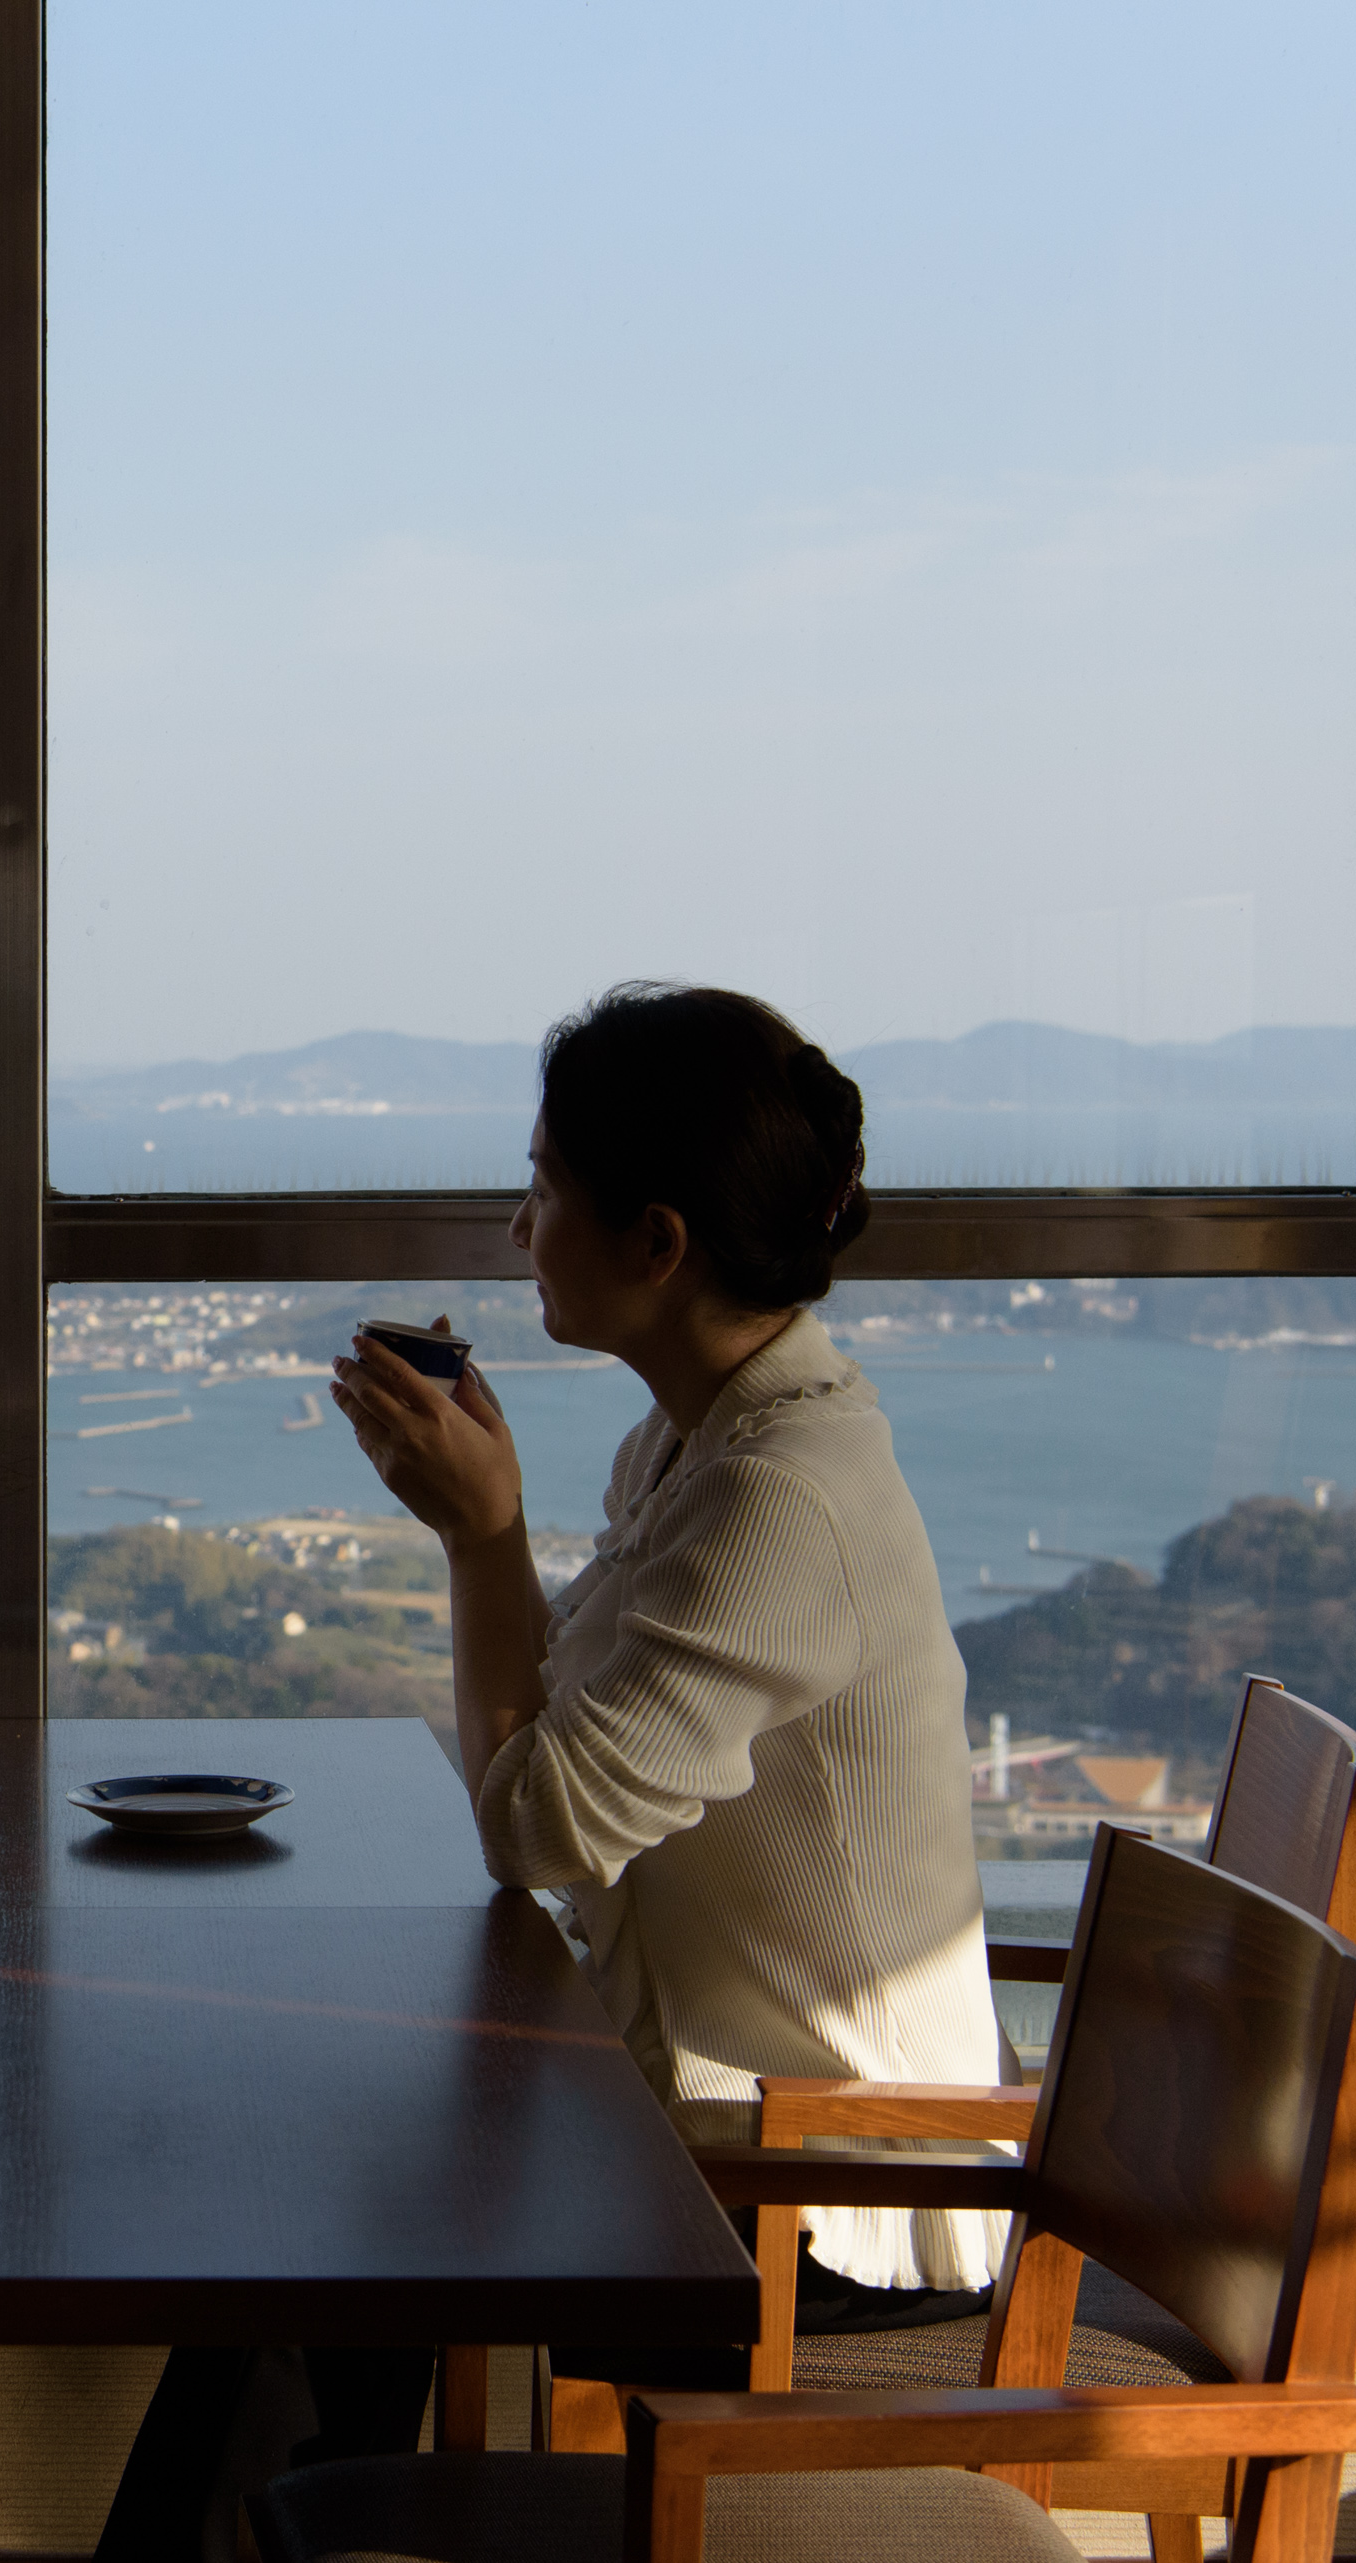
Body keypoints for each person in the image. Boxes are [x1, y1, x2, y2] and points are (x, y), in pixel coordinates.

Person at [330, 980, 1006, 2339]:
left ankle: (305, 2524)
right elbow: (560, 1750)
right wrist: (494, 1529)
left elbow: (537, 1828)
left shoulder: (779, 1499)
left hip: (824, 2211)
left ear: (656, 1242)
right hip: (728, 2147)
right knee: (337, 2209)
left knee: (343, 2221)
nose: (519, 1230)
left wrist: (483, 1539)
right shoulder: (701, 1449)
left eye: (543, 1188)